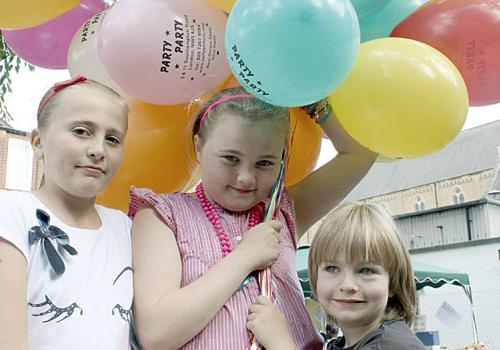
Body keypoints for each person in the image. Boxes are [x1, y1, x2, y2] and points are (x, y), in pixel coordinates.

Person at [129, 87, 377, 350]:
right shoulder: (162, 215)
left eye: (265, 163)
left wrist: (315, 102)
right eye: (230, 158)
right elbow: (156, 334)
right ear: (199, 147)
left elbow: (360, 154)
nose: (246, 177)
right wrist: (246, 256)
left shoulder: (282, 211)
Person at [0, 76, 133, 350]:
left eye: (112, 139)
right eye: (81, 131)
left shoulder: (126, 228)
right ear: (38, 142)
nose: (98, 150)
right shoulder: (11, 213)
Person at [247, 203, 426, 350]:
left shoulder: (391, 346)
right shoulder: (345, 344)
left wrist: (281, 344)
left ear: (393, 282)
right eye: (332, 268)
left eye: (366, 271)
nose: (347, 285)